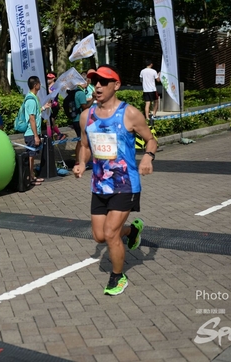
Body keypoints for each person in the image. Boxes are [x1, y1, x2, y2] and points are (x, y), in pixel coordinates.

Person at [72, 65, 156, 296]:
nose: (98, 86)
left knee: (110, 233)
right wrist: (81, 163)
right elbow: (85, 146)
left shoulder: (130, 113)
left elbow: (151, 140)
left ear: (116, 85)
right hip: (99, 184)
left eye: (103, 82)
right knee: (99, 236)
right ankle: (131, 231)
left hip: (125, 184)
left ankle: (118, 277)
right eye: (95, 81)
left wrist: (148, 157)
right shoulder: (86, 116)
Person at [23, 76, 51, 186]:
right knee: (31, 155)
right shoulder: (31, 99)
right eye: (39, 83)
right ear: (35, 85)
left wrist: (43, 107)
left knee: (32, 155)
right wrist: (35, 136)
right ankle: (30, 178)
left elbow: (35, 112)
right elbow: (32, 118)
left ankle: (32, 176)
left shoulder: (33, 98)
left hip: (33, 132)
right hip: (31, 133)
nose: (40, 85)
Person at [73, 79, 95, 167]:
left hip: (75, 119)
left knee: (81, 140)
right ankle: (79, 161)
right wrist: (93, 99)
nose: (87, 83)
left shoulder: (75, 91)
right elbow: (85, 107)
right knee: (81, 141)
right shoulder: (80, 93)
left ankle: (79, 160)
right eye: (86, 82)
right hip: (80, 119)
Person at [47, 73, 66, 140]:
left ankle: (51, 138)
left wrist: (47, 90)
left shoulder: (55, 86)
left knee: (49, 122)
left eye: (50, 78)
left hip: (54, 106)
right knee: (50, 122)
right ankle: (56, 135)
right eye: (47, 78)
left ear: (53, 78)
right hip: (49, 106)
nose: (48, 79)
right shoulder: (48, 86)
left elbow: (53, 95)